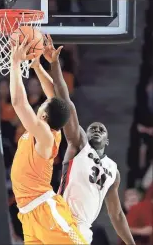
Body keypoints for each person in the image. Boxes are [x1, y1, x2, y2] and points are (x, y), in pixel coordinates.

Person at [43, 34, 136, 245]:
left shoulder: (113, 170)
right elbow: (65, 101)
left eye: (100, 129)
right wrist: (55, 65)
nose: (95, 130)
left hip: (83, 229)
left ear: (107, 141)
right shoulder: (78, 145)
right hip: (63, 219)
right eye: (92, 128)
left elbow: (117, 215)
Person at [10, 35, 88, 244]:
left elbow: (18, 102)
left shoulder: (44, 134)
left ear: (43, 115)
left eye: (41, 105)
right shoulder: (49, 128)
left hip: (45, 211)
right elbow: (54, 95)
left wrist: (15, 63)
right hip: (28, 213)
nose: (39, 105)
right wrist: (37, 66)